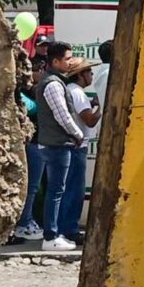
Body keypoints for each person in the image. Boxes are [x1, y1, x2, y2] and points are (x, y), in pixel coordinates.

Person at [31, 40, 93, 255]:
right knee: (56, 190)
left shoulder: (55, 82)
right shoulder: (53, 85)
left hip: (56, 143)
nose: (70, 62)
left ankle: (54, 233)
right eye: (66, 59)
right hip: (57, 144)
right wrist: (77, 134)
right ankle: (51, 235)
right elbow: (62, 116)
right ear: (55, 61)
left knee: (57, 190)